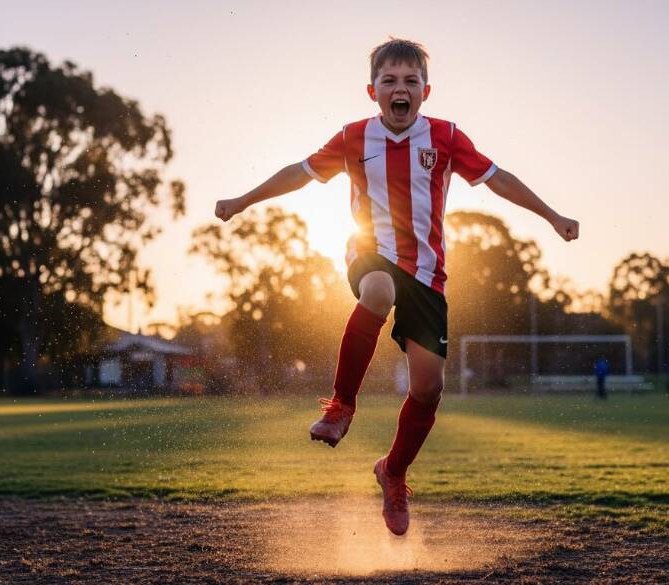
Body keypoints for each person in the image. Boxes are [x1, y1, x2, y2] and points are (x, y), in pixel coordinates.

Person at [215, 38, 579, 535]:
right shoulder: (353, 138)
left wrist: (552, 216)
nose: (400, 89)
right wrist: (242, 199)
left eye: (410, 81)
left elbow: (499, 179)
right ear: (373, 90)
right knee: (378, 290)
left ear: (425, 91)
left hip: (428, 275)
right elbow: (299, 175)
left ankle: (393, 471)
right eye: (390, 81)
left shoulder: (447, 137)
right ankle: (341, 406)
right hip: (371, 255)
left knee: (429, 387)